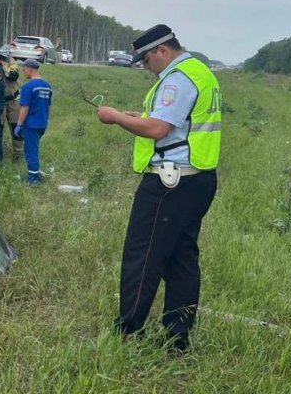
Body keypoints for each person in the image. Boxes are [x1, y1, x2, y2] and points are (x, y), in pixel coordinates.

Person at [95, 24, 222, 352]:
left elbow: (156, 129)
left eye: (145, 59)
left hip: (170, 181)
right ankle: (178, 336)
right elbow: (178, 123)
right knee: (181, 258)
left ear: (162, 50)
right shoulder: (200, 72)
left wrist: (116, 118)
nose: (144, 66)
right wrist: (140, 115)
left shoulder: (178, 79)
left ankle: (127, 331)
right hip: (197, 178)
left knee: (143, 254)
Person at [15, 59, 52, 184]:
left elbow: (25, 107)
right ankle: (34, 174)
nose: (23, 71)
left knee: (30, 151)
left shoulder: (28, 86)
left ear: (31, 69)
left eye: (24, 69)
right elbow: (48, 106)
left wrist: (19, 124)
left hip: (31, 124)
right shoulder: (47, 86)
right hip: (42, 123)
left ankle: (34, 179)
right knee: (33, 148)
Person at [0, 46, 24, 159]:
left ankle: (18, 155)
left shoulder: (11, 62)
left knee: (16, 128)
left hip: (13, 100)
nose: (3, 58)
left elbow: (13, 75)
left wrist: (2, 65)